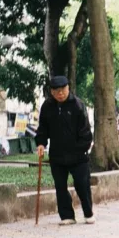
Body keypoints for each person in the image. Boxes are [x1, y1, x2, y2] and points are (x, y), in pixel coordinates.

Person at [35, 75, 95, 225]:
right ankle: (67, 215)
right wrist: (41, 143)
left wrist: (82, 148)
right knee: (60, 186)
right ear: (52, 92)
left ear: (68, 88)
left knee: (82, 184)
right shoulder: (47, 106)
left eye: (63, 90)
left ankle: (88, 212)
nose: (60, 94)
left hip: (78, 155)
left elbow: (86, 132)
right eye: (56, 91)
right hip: (57, 154)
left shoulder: (78, 105)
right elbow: (42, 128)